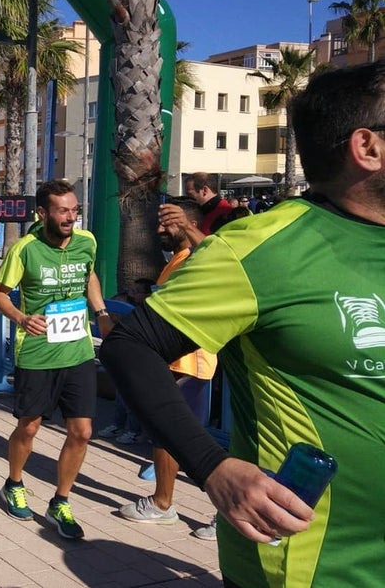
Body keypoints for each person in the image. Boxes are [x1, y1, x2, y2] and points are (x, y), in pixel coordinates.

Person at [100, 60, 385, 587]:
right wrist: (212, 467)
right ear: (367, 147)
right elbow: (129, 346)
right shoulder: (263, 247)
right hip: (315, 565)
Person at [0, 180, 114, 539]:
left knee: (83, 431)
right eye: (62, 210)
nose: (70, 217)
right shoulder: (24, 250)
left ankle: (61, 500)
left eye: (74, 210)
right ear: (43, 213)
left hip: (77, 351)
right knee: (29, 427)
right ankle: (13, 482)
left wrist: (101, 311)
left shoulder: (86, 242)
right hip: (37, 353)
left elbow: (88, 273)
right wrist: (21, 318)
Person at [117, 196, 216, 532]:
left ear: (185, 223)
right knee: (170, 436)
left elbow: (217, 256)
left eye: (166, 223)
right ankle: (164, 502)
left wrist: (189, 228)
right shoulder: (176, 259)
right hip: (173, 360)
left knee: (181, 440)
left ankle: (167, 504)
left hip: (190, 363)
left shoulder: (196, 256)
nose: (159, 229)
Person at [182, 172, 232, 237]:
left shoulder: (225, 213)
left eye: (190, 194)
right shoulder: (204, 210)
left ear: (205, 190)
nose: (187, 198)